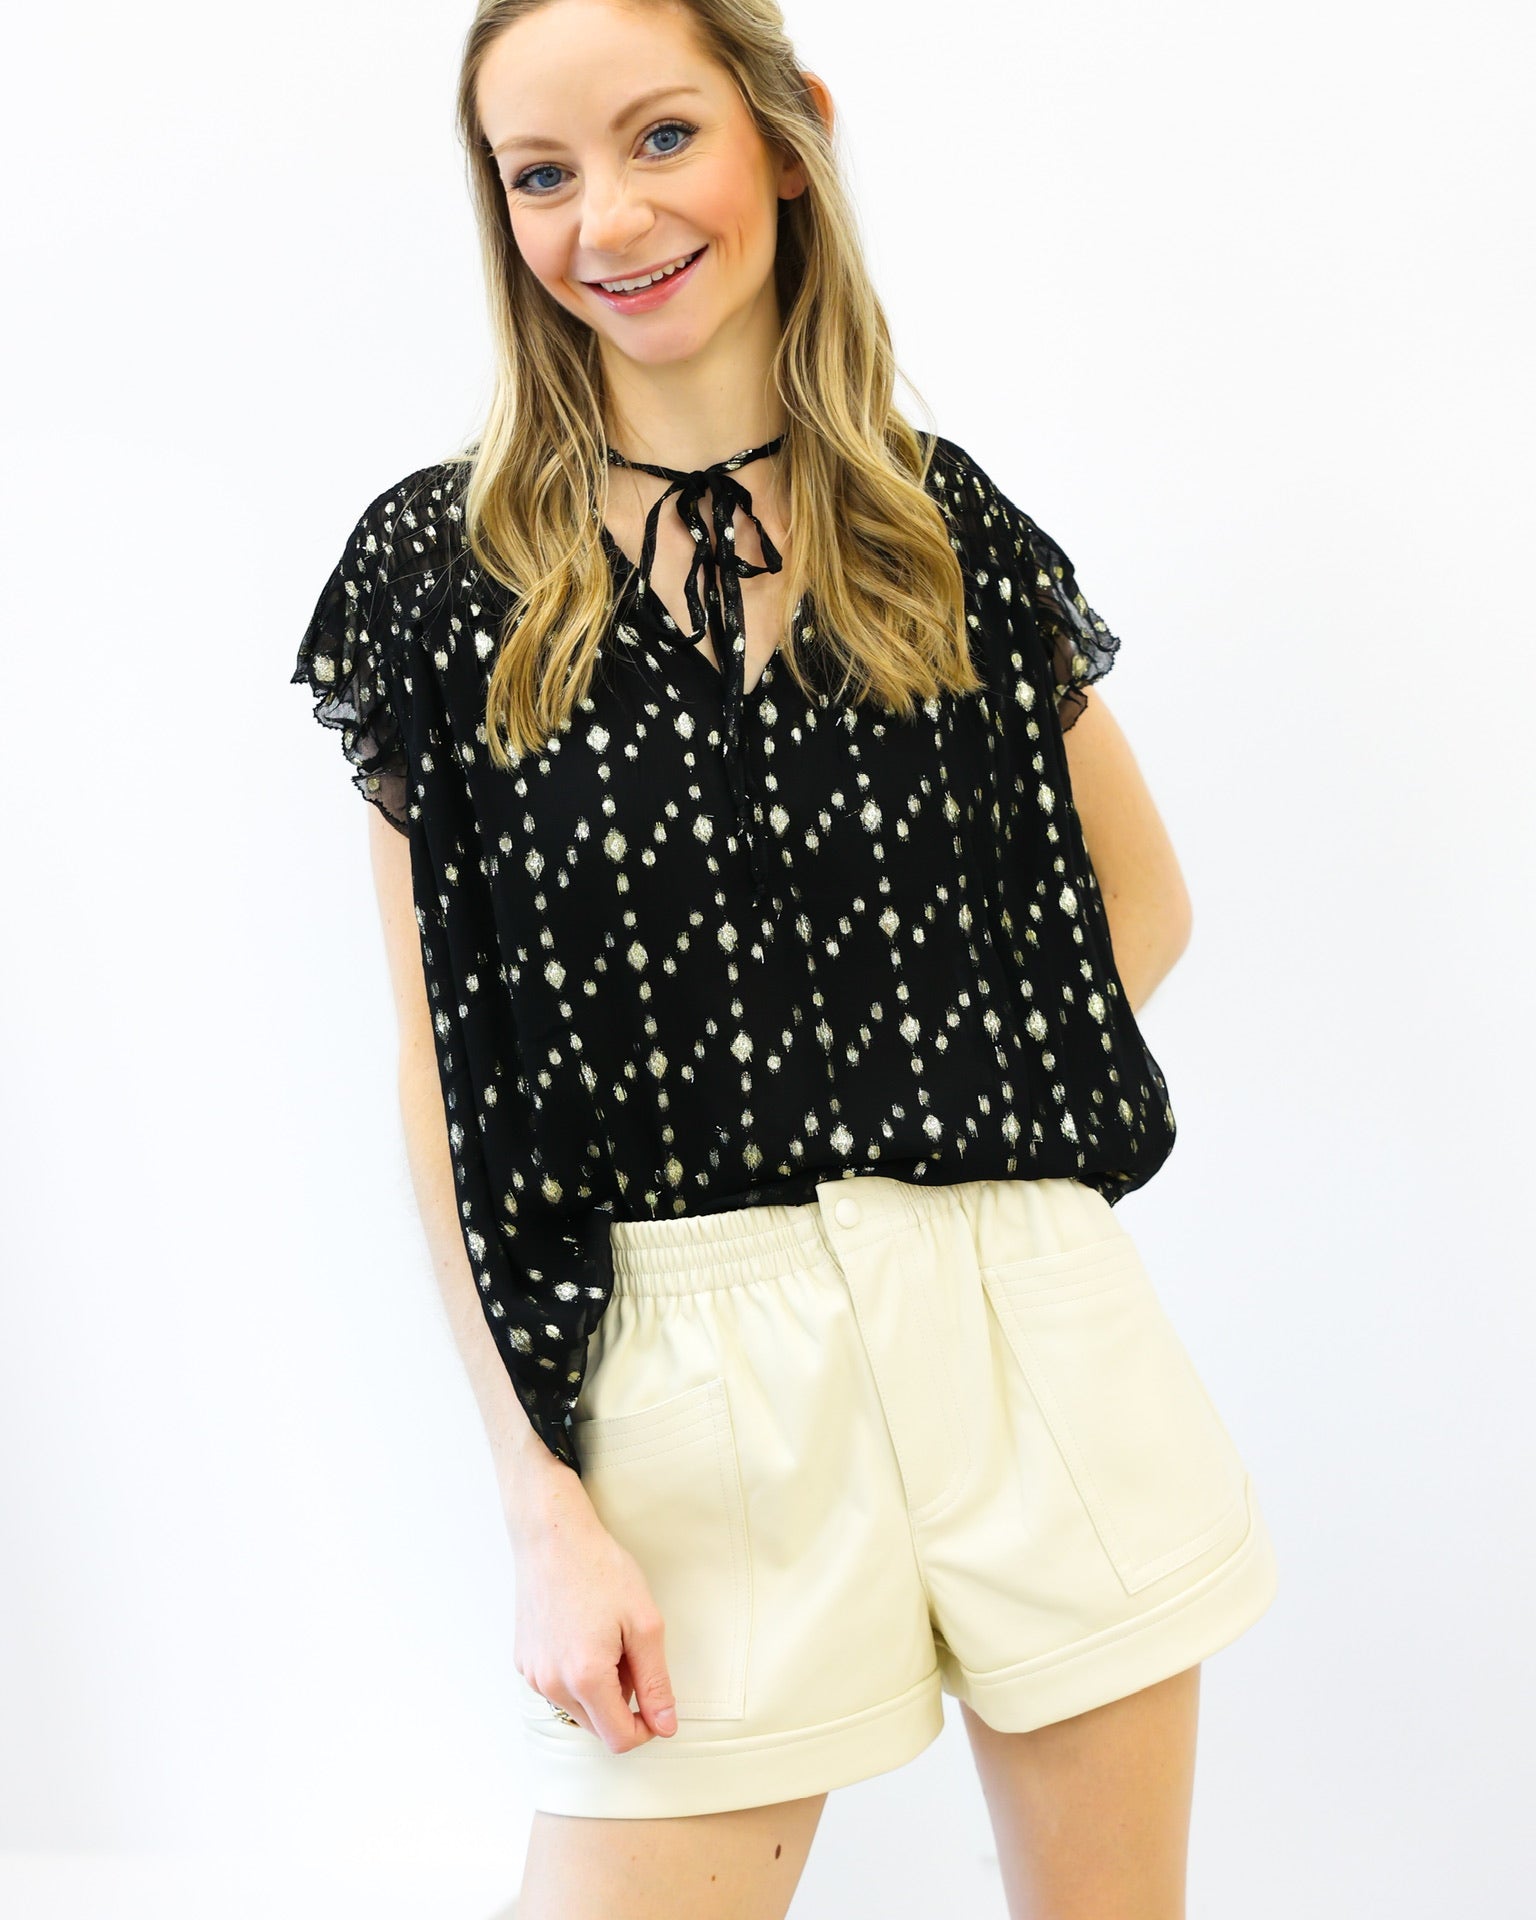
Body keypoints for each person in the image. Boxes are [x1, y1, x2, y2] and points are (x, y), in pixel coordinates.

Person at [290, 2, 1279, 1914]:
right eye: (541, 174)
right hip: (681, 1372)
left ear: (785, 133)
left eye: (661, 137)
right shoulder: (443, 573)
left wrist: (932, 1114)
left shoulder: (936, 529)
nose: (609, 219)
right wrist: (541, 1497)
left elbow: (1135, 904)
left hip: (1021, 1320)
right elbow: (445, 1080)